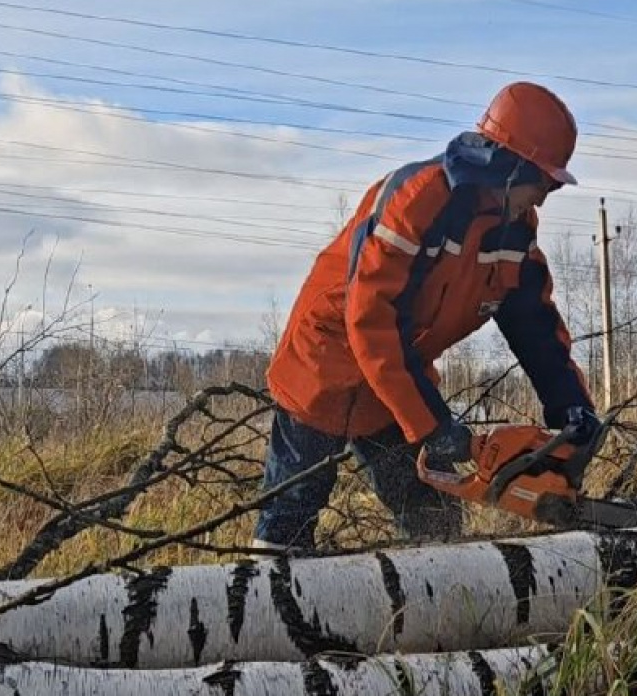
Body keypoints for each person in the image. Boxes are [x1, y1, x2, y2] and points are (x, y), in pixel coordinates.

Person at [252, 81, 600, 551]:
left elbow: (534, 322)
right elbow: (372, 320)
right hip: (324, 365)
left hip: (397, 378)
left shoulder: (514, 230)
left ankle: (429, 614)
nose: (542, 198)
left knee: (433, 521)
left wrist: (571, 407)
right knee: (291, 516)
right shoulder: (419, 201)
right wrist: (432, 426)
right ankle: (260, 611)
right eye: (543, 183)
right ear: (511, 164)